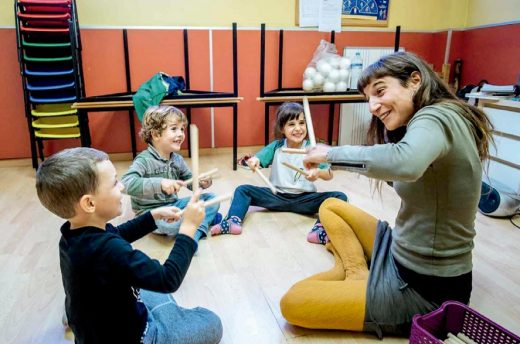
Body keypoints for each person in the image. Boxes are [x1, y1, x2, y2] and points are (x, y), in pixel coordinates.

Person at [279, 52, 494, 337]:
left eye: (380, 92)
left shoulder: (437, 115)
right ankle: (357, 273)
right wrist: (328, 168)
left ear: (415, 80)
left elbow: (403, 162)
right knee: (331, 206)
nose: (373, 106)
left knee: (293, 303)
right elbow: (401, 173)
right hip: (397, 252)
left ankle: (357, 276)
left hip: (424, 289)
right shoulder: (431, 122)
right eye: (369, 98)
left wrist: (331, 154)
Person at [35, 147, 223, 344]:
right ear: (89, 203)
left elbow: (117, 234)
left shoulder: (72, 235)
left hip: (94, 326)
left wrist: (152, 216)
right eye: (115, 183)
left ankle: (76, 317)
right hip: (138, 338)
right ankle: (167, 319)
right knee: (211, 323)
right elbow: (168, 279)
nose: (123, 187)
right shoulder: (110, 250)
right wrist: (189, 229)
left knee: (142, 284)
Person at [210, 102, 348, 244]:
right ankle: (233, 221)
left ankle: (319, 230)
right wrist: (254, 161)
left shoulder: (312, 149)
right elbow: (258, 158)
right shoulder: (276, 146)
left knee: (339, 197)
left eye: (302, 123)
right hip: (276, 196)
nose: (298, 128)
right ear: (282, 128)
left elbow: (329, 174)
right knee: (243, 190)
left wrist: (318, 172)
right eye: (291, 124)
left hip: (305, 199)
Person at [122, 105, 219, 242]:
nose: (180, 134)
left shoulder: (177, 159)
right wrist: (160, 183)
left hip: (173, 206)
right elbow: (125, 183)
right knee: (172, 226)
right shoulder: (144, 160)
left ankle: (195, 232)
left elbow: (191, 182)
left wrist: (201, 182)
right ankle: (199, 222)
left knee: (212, 199)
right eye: (174, 129)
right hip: (150, 213)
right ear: (156, 135)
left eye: (182, 129)